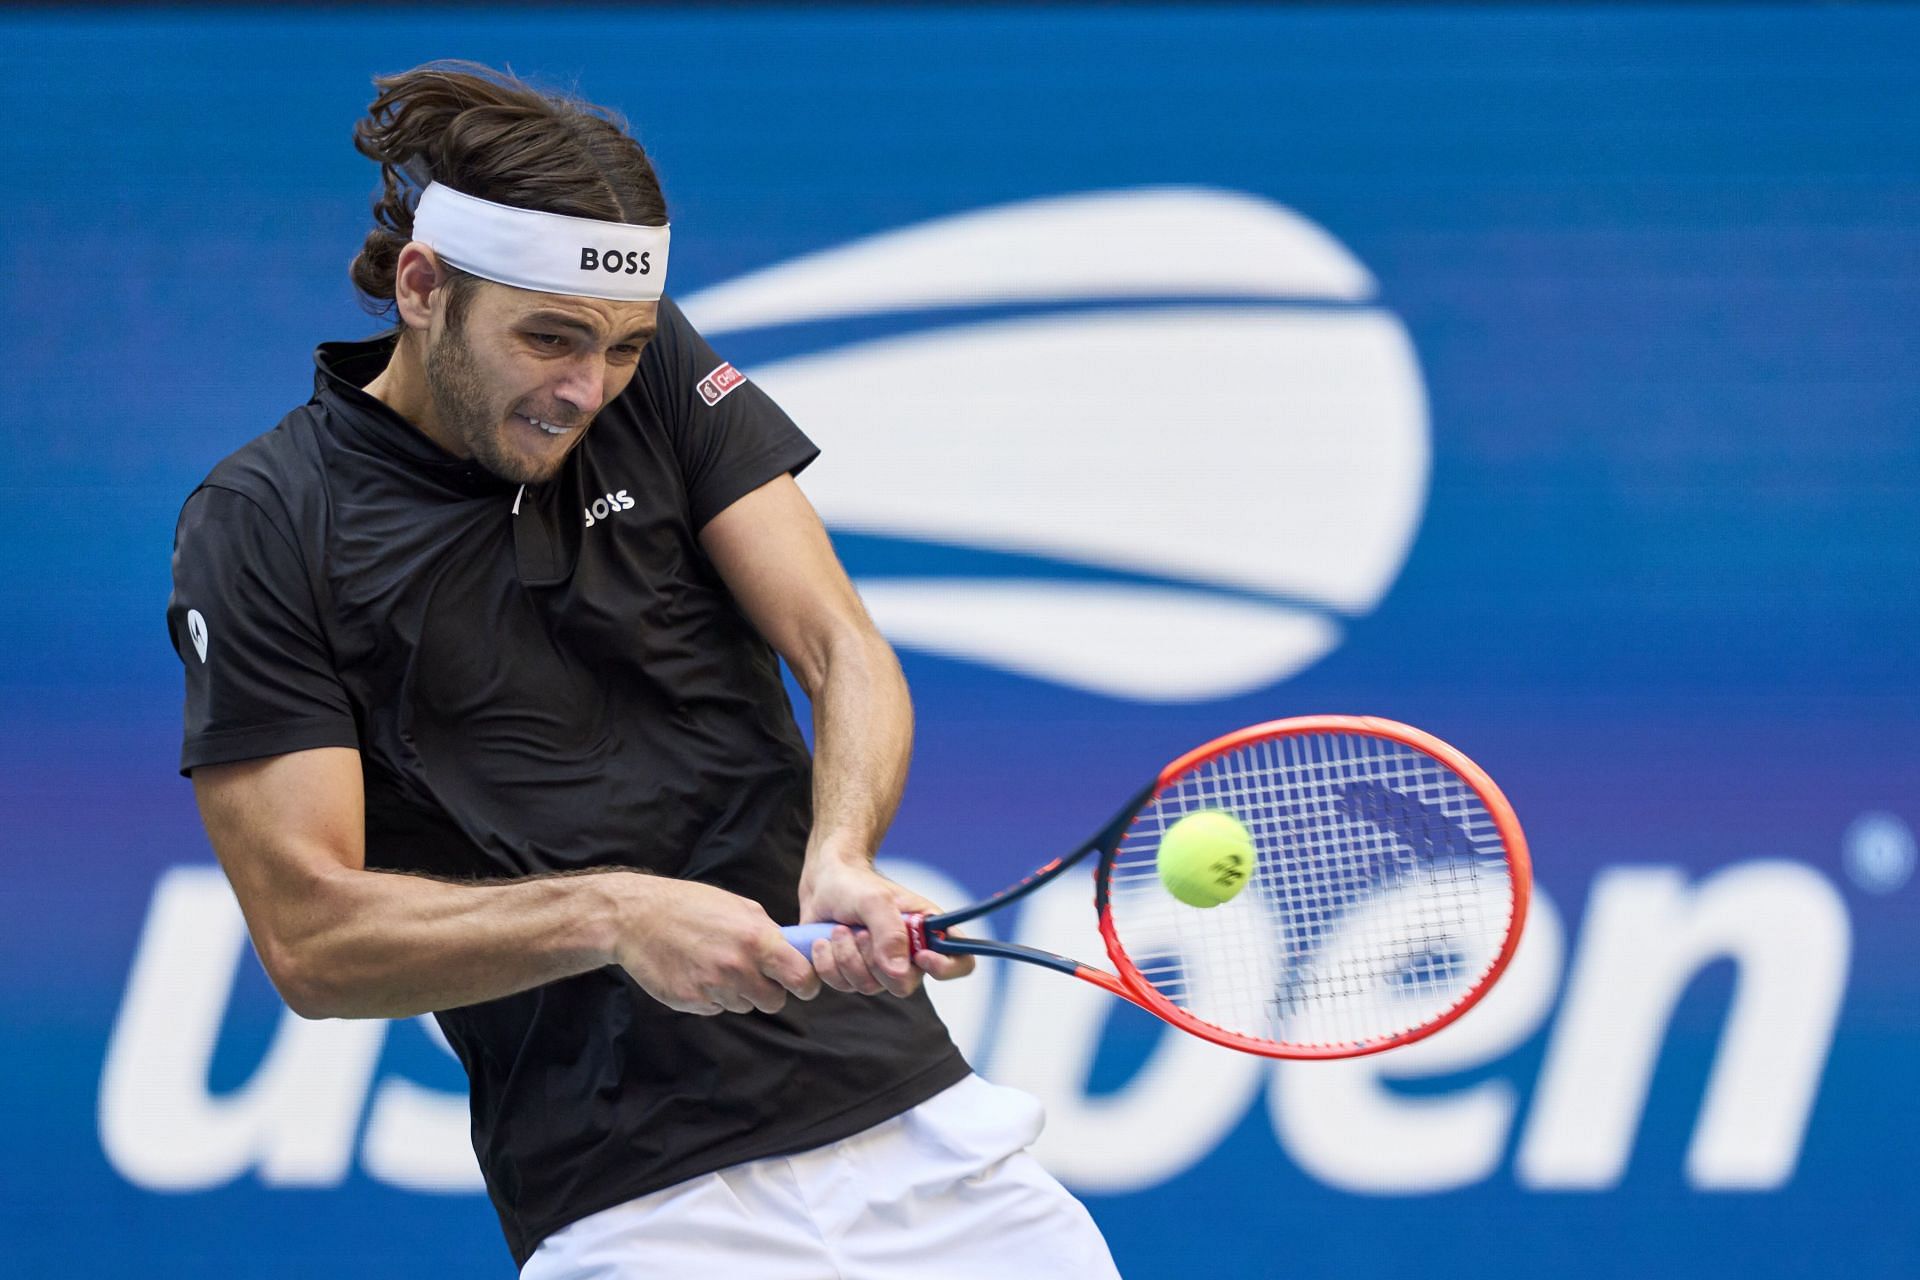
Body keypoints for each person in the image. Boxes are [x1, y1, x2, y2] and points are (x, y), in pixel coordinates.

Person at [166, 61, 1120, 1279]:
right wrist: (615, 915)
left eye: (618, 347)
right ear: (422, 285)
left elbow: (840, 646)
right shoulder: (263, 523)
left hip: (924, 1132)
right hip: (635, 1201)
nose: (584, 390)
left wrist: (841, 850)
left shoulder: (653, 369)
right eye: (549, 339)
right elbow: (311, 937)